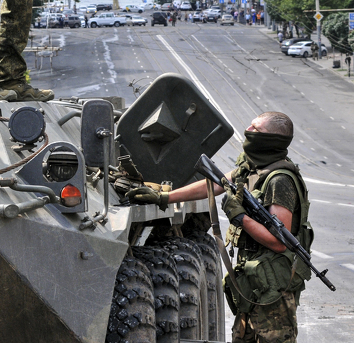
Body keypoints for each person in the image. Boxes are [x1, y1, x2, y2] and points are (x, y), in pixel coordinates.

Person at [128, 111, 312, 342]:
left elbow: (277, 242)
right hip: (255, 277)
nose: (249, 131)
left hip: (273, 284)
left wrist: (240, 217)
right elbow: (214, 184)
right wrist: (165, 197)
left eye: (257, 129)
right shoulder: (252, 169)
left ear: (273, 139)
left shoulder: (279, 180)